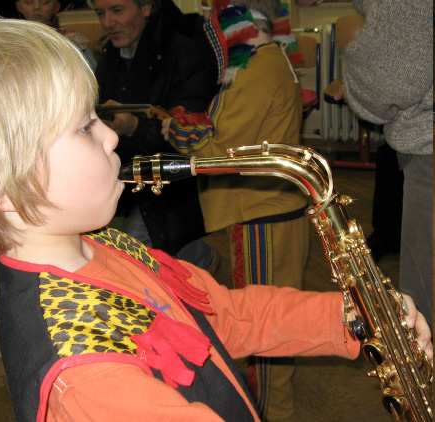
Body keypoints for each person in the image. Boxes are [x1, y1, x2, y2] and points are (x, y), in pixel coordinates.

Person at [0, 10, 431, 421]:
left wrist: (357, 315)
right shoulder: (91, 378)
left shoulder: (104, 247)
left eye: (97, 116)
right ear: (1, 187)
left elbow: (223, 318)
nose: (107, 135)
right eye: (81, 127)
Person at [163, 0, 307, 419]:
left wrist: (176, 131)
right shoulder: (272, 60)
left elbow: (219, 151)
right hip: (274, 206)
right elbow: (236, 130)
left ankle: (267, 413)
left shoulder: (254, 70)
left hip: (261, 213)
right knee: (275, 319)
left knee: (261, 329)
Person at [93, 0, 219, 271]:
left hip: (173, 185)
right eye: (100, 13)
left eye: (117, 11)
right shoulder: (109, 55)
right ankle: (195, 256)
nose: (106, 23)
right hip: (131, 181)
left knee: (134, 262)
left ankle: (196, 257)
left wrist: (134, 128)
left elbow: (192, 140)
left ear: (146, 8)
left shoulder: (185, 54)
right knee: (115, 252)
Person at [340, 0, 434, 317]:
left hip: (429, 146)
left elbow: (382, 89)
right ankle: (386, 235)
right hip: (426, 136)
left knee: (422, 309)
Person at [16, 0, 98, 69]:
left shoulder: (72, 40)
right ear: (19, 7)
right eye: (29, 2)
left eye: (45, 2)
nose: (37, 7)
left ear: (56, 7)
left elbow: (92, 73)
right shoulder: (13, 41)